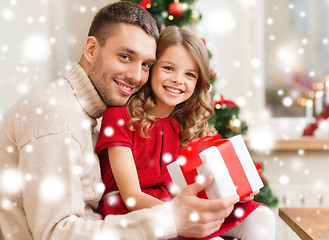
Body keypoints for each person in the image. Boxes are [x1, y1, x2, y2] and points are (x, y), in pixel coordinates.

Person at [0, 2, 239, 240]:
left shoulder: (100, 112)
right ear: (91, 49)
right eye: (125, 57)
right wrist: (170, 219)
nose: (137, 76)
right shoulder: (54, 115)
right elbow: (56, 233)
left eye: (146, 65)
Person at [95, 25, 276, 240]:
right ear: (151, 68)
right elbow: (131, 196)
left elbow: (198, 188)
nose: (178, 80)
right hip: (134, 211)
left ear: (198, 82)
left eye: (190, 74)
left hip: (176, 205)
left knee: (262, 216)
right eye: (169, 68)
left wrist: (234, 194)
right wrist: (182, 215)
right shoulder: (119, 118)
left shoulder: (183, 125)